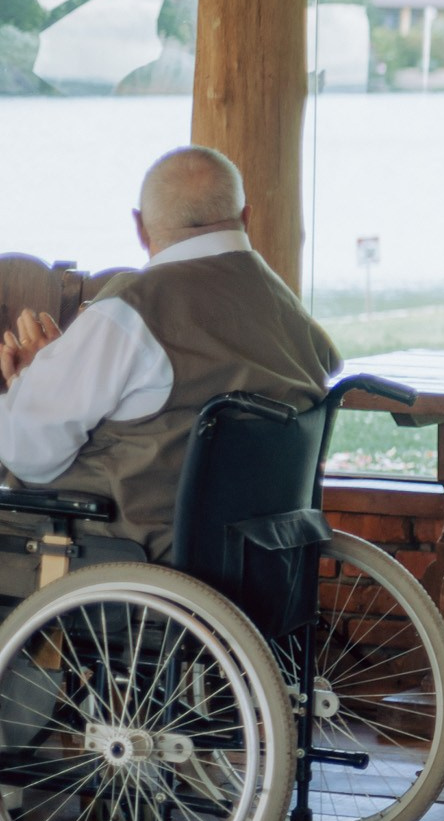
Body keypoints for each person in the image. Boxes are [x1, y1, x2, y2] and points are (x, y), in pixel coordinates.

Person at [0, 146, 340, 560]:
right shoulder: (289, 313)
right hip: (259, 551)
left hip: (131, 549)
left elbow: (29, 452)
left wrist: (28, 382)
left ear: (140, 227)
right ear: (247, 218)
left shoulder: (130, 311)